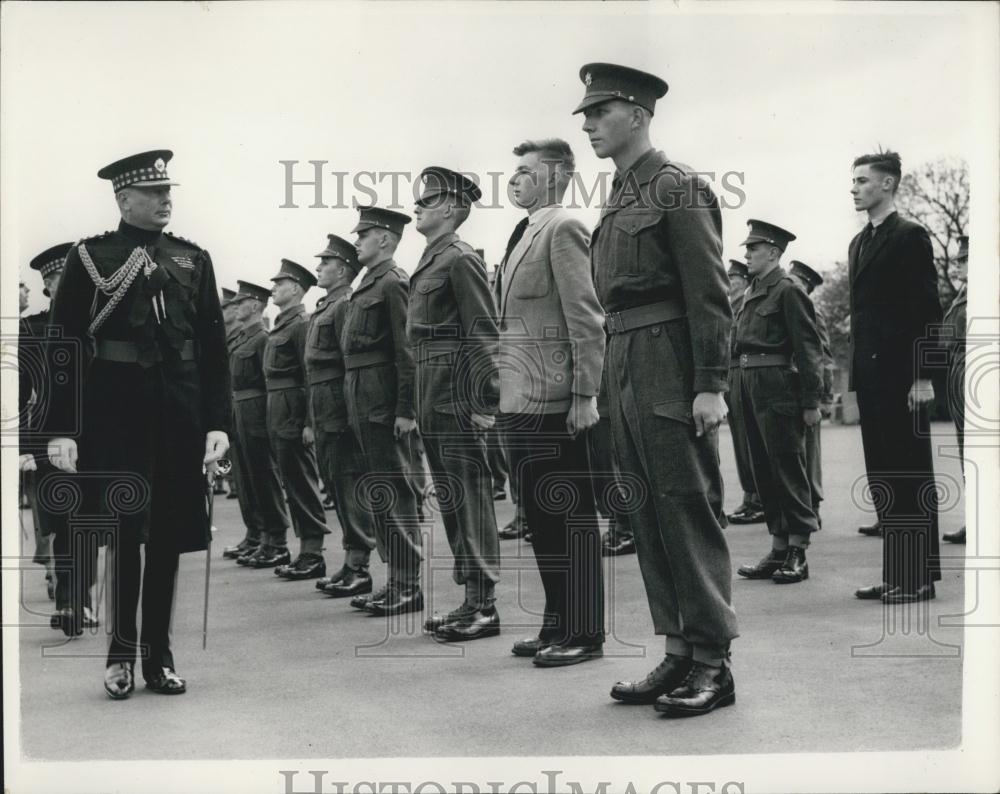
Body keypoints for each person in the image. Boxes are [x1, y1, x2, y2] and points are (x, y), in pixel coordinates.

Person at [576, 63, 738, 715]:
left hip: (670, 363)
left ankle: (713, 662)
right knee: (645, 511)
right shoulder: (618, 196)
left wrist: (710, 385)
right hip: (625, 362)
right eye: (586, 116)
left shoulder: (677, 188)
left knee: (685, 506)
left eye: (599, 112)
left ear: (638, 114)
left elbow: (708, 294)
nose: (589, 125)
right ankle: (677, 652)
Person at [45, 149, 230, 699]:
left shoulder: (192, 259)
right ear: (124, 199)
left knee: (169, 537)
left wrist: (218, 422)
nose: (165, 200)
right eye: (153, 194)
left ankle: (159, 657)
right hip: (116, 415)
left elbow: (213, 347)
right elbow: (65, 346)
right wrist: (61, 428)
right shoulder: (91, 256)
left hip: (180, 413)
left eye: (169, 192)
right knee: (125, 536)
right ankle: (120, 655)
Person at [499, 138, 606, 667]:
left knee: (569, 518)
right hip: (519, 400)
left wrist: (585, 394)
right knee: (541, 519)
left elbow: (586, 317)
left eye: (524, 171)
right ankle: (556, 621)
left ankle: (584, 631)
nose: (513, 179)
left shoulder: (564, 227)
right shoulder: (524, 232)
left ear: (554, 177)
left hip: (555, 400)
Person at [410, 166, 502, 641]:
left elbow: (484, 333)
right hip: (431, 385)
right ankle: (471, 599)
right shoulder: (432, 258)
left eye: (425, 202)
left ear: (449, 208)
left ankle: (485, 604)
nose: (417, 208)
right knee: (451, 497)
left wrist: (484, 400)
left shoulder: (460, 258)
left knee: (470, 496)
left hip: (454, 388)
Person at [849, 150, 942, 603]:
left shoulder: (910, 236)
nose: (854, 188)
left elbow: (927, 310)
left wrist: (923, 377)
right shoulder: (859, 241)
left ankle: (919, 577)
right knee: (884, 478)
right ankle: (896, 573)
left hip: (903, 379)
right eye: (854, 181)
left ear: (887, 184)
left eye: (863, 181)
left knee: (909, 475)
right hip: (872, 378)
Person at [342, 205, 424, 616]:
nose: (356, 241)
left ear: (385, 240)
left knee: (396, 492)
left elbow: (406, 352)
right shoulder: (367, 282)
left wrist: (406, 409)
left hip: (383, 399)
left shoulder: (393, 282)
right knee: (379, 494)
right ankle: (396, 581)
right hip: (362, 395)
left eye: (363, 234)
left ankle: (408, 584)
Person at [732, 221, 824, 585]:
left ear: (773, 252)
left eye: (753, 249)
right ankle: (779, 546)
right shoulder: (755, 290)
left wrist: (811, 400)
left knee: (787, 468)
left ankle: (798, 550)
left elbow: (809, 349)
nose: (747, 254)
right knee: (763, 472)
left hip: (778, 386)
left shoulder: (787, 290)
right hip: (750, 385)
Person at [305, 235, 378, 596]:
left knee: (349, 485)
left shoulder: (343, 304)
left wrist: (350, 412)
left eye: (325, 263)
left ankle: (359, 566)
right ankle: (350, 562)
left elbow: (348, 361)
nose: (318, 268)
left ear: (343, 269)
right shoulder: (325, 304)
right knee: (335, 482)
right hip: (323, 402)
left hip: (338, 400)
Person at [256, 259, 330, 579]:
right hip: (278, 407)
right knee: (289, 480)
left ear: (297, 288)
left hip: (293, 408)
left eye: (279, 283)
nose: (273, 288)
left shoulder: (301, 323)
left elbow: (309, 374)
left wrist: (310, 421)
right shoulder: (282, 324)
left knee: (301, 482)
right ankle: (305, 552)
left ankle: (313, 553)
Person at [225, 280, 291, 565]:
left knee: (264, 477)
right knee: (246, 477)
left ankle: (275, 540)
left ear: (254, 306)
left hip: (257, 411)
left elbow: (268, 382)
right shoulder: (241, 339)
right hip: (239, 409)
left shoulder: (262, 338)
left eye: (240, 303)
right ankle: (257, 535)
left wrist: (268, 419)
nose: (235, 307)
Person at [788, 259, 835, 522]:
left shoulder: (812, 311)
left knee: (810, 452)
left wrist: (824, 397)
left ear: (805, 285)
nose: (790, 283)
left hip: (808, 389)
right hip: (789, 386)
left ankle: (813, 505)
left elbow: (824, 355)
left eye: (795, 281)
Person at [723, 259, 764, 526]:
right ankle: (750, 496)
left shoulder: (747, 304)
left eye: (733, 280)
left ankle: (760, 499)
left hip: (746, 370)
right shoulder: (730, 307)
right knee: (740, 441)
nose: (728, 284)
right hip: (732, 374)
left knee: (752, 441)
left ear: (744, 281)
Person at [941, 235, 968, 545]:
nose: (958, 264)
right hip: (958, 372)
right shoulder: (963, 294)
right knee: (967, 453)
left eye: (964, 260)